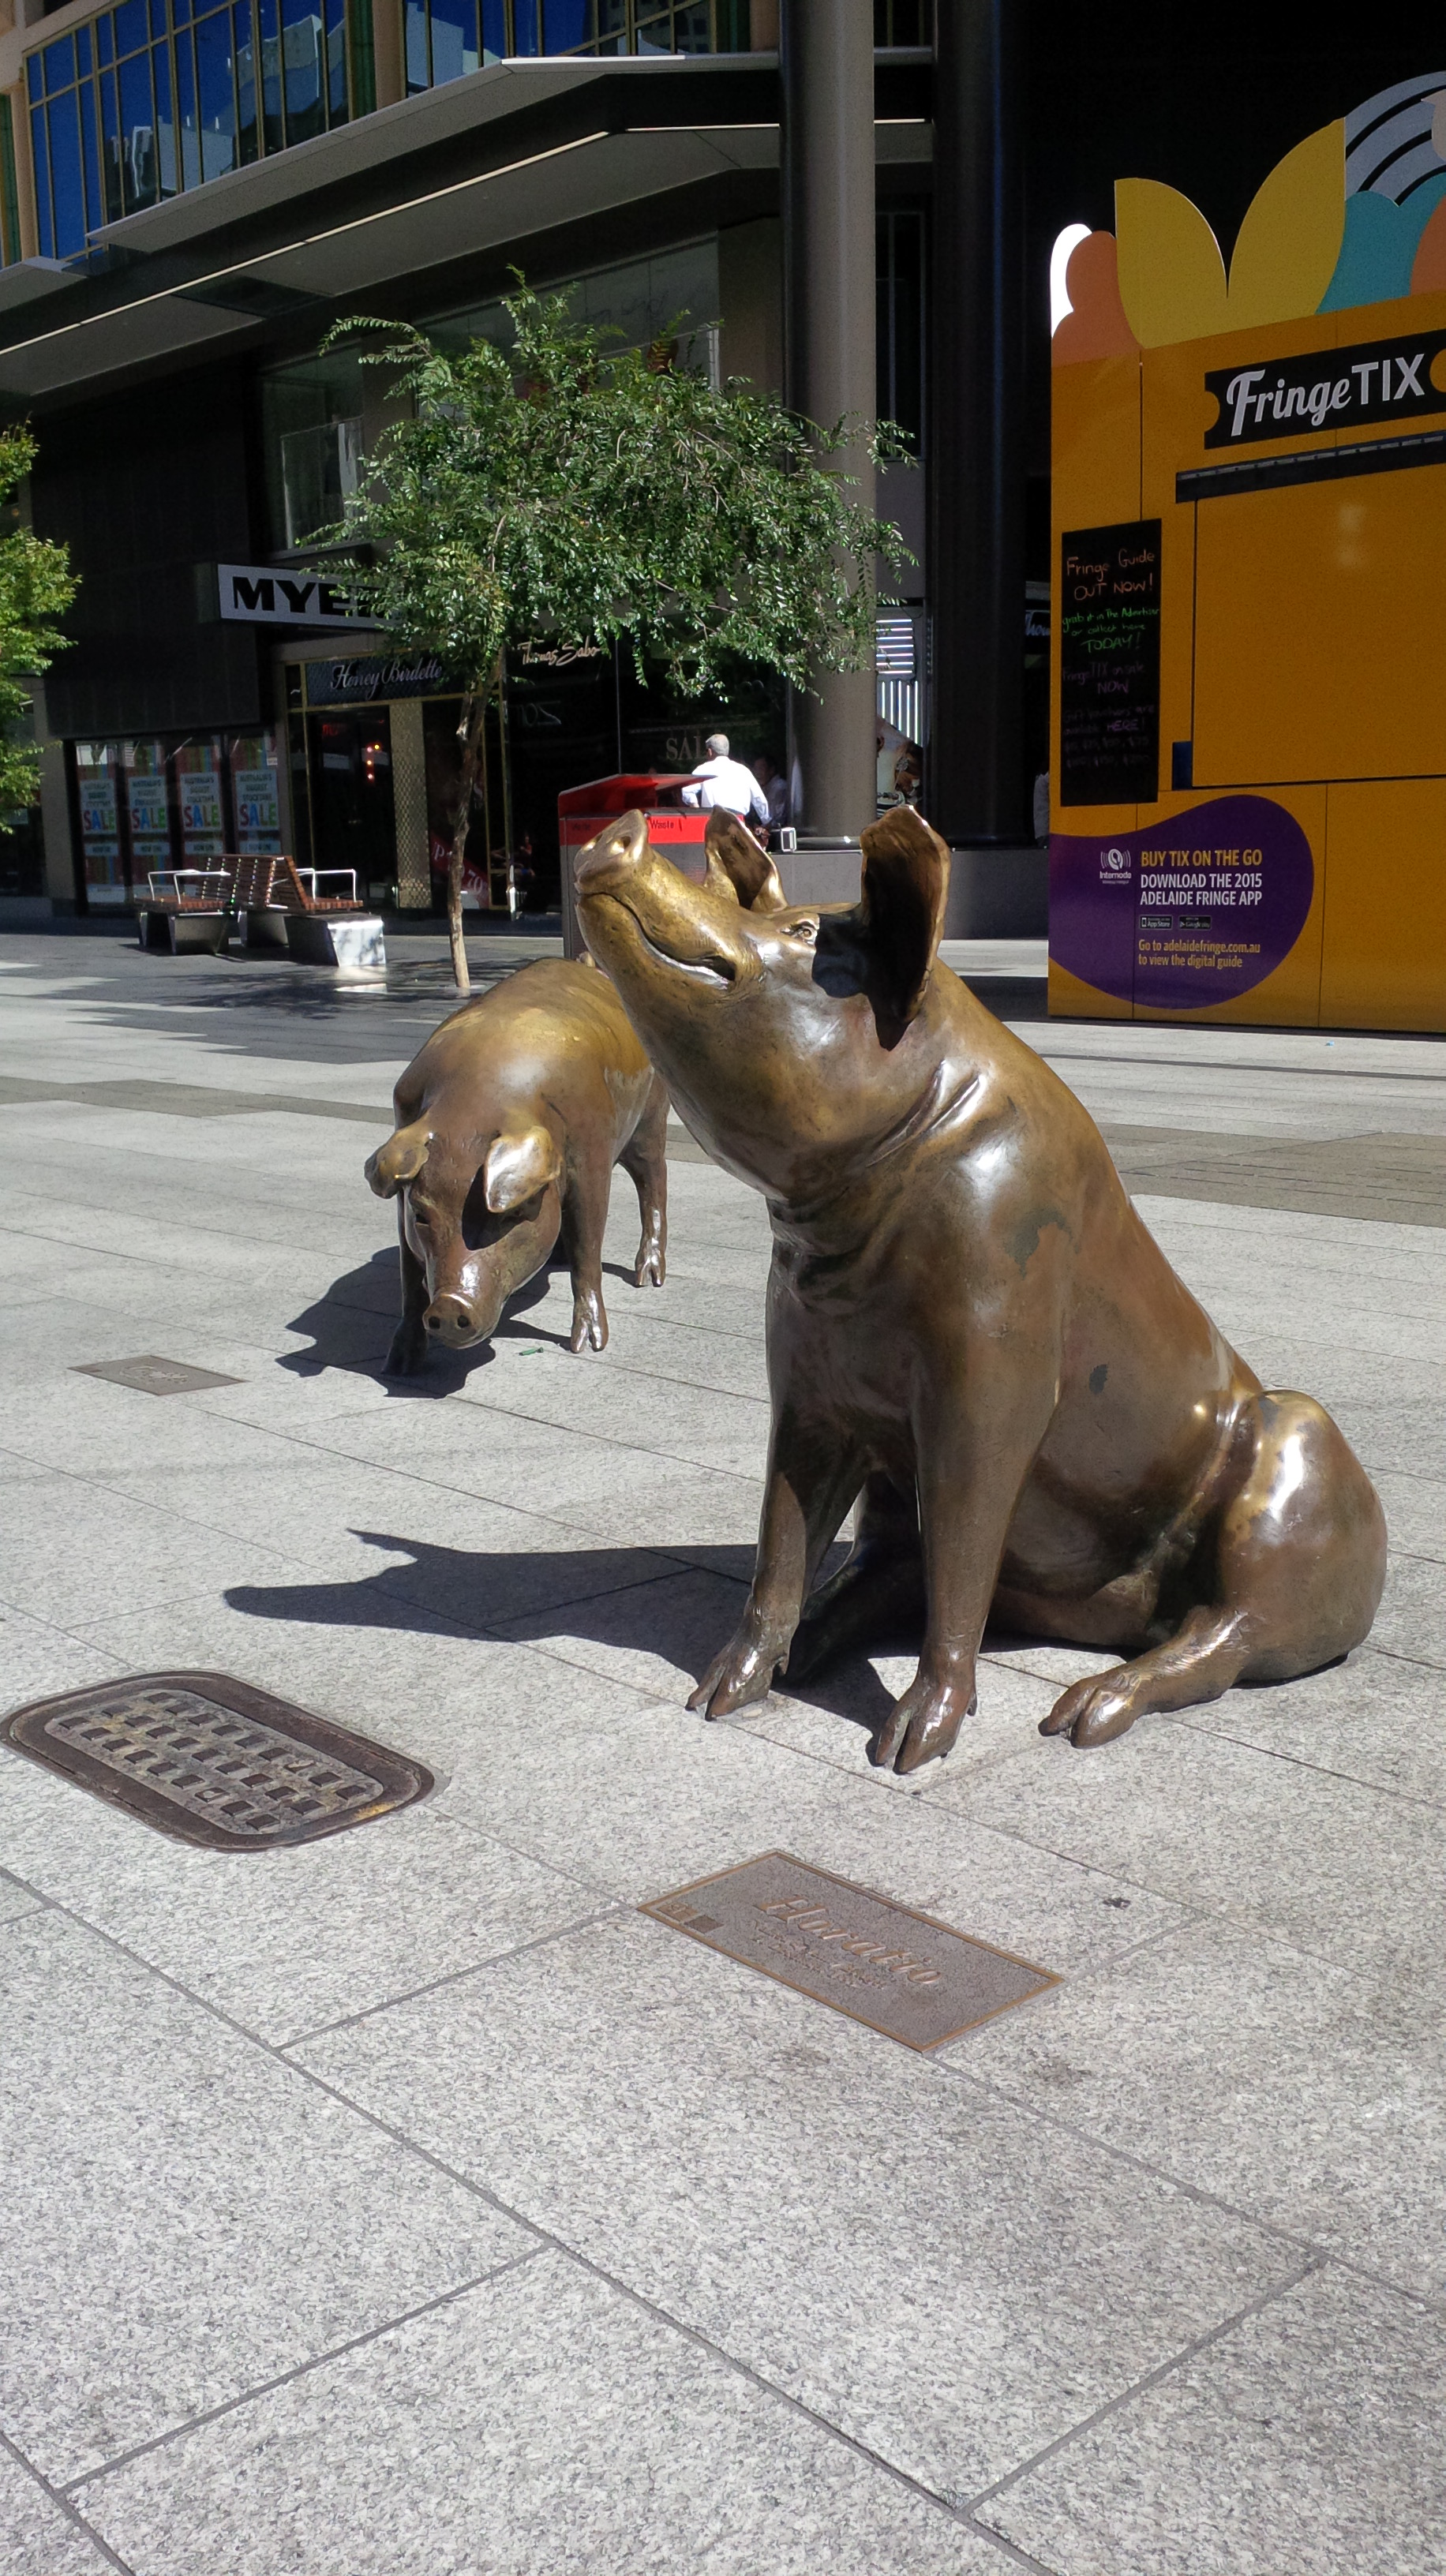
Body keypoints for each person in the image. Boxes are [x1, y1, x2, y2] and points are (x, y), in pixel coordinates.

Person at [680, 732, 769, 826]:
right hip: (740, 825)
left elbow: (687, 790)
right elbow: (759, 799)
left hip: (714, 823)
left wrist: (697, 811)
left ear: (710, 752)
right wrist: (767, 821)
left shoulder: (703, 769)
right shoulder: (743, 770)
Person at [752, 751, 789, 830]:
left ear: (771, 770)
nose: (757, 773)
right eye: (756, 769)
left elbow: (779, 821)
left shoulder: (780, 788)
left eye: (761, 769)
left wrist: (762, 827)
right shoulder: (765, 788)